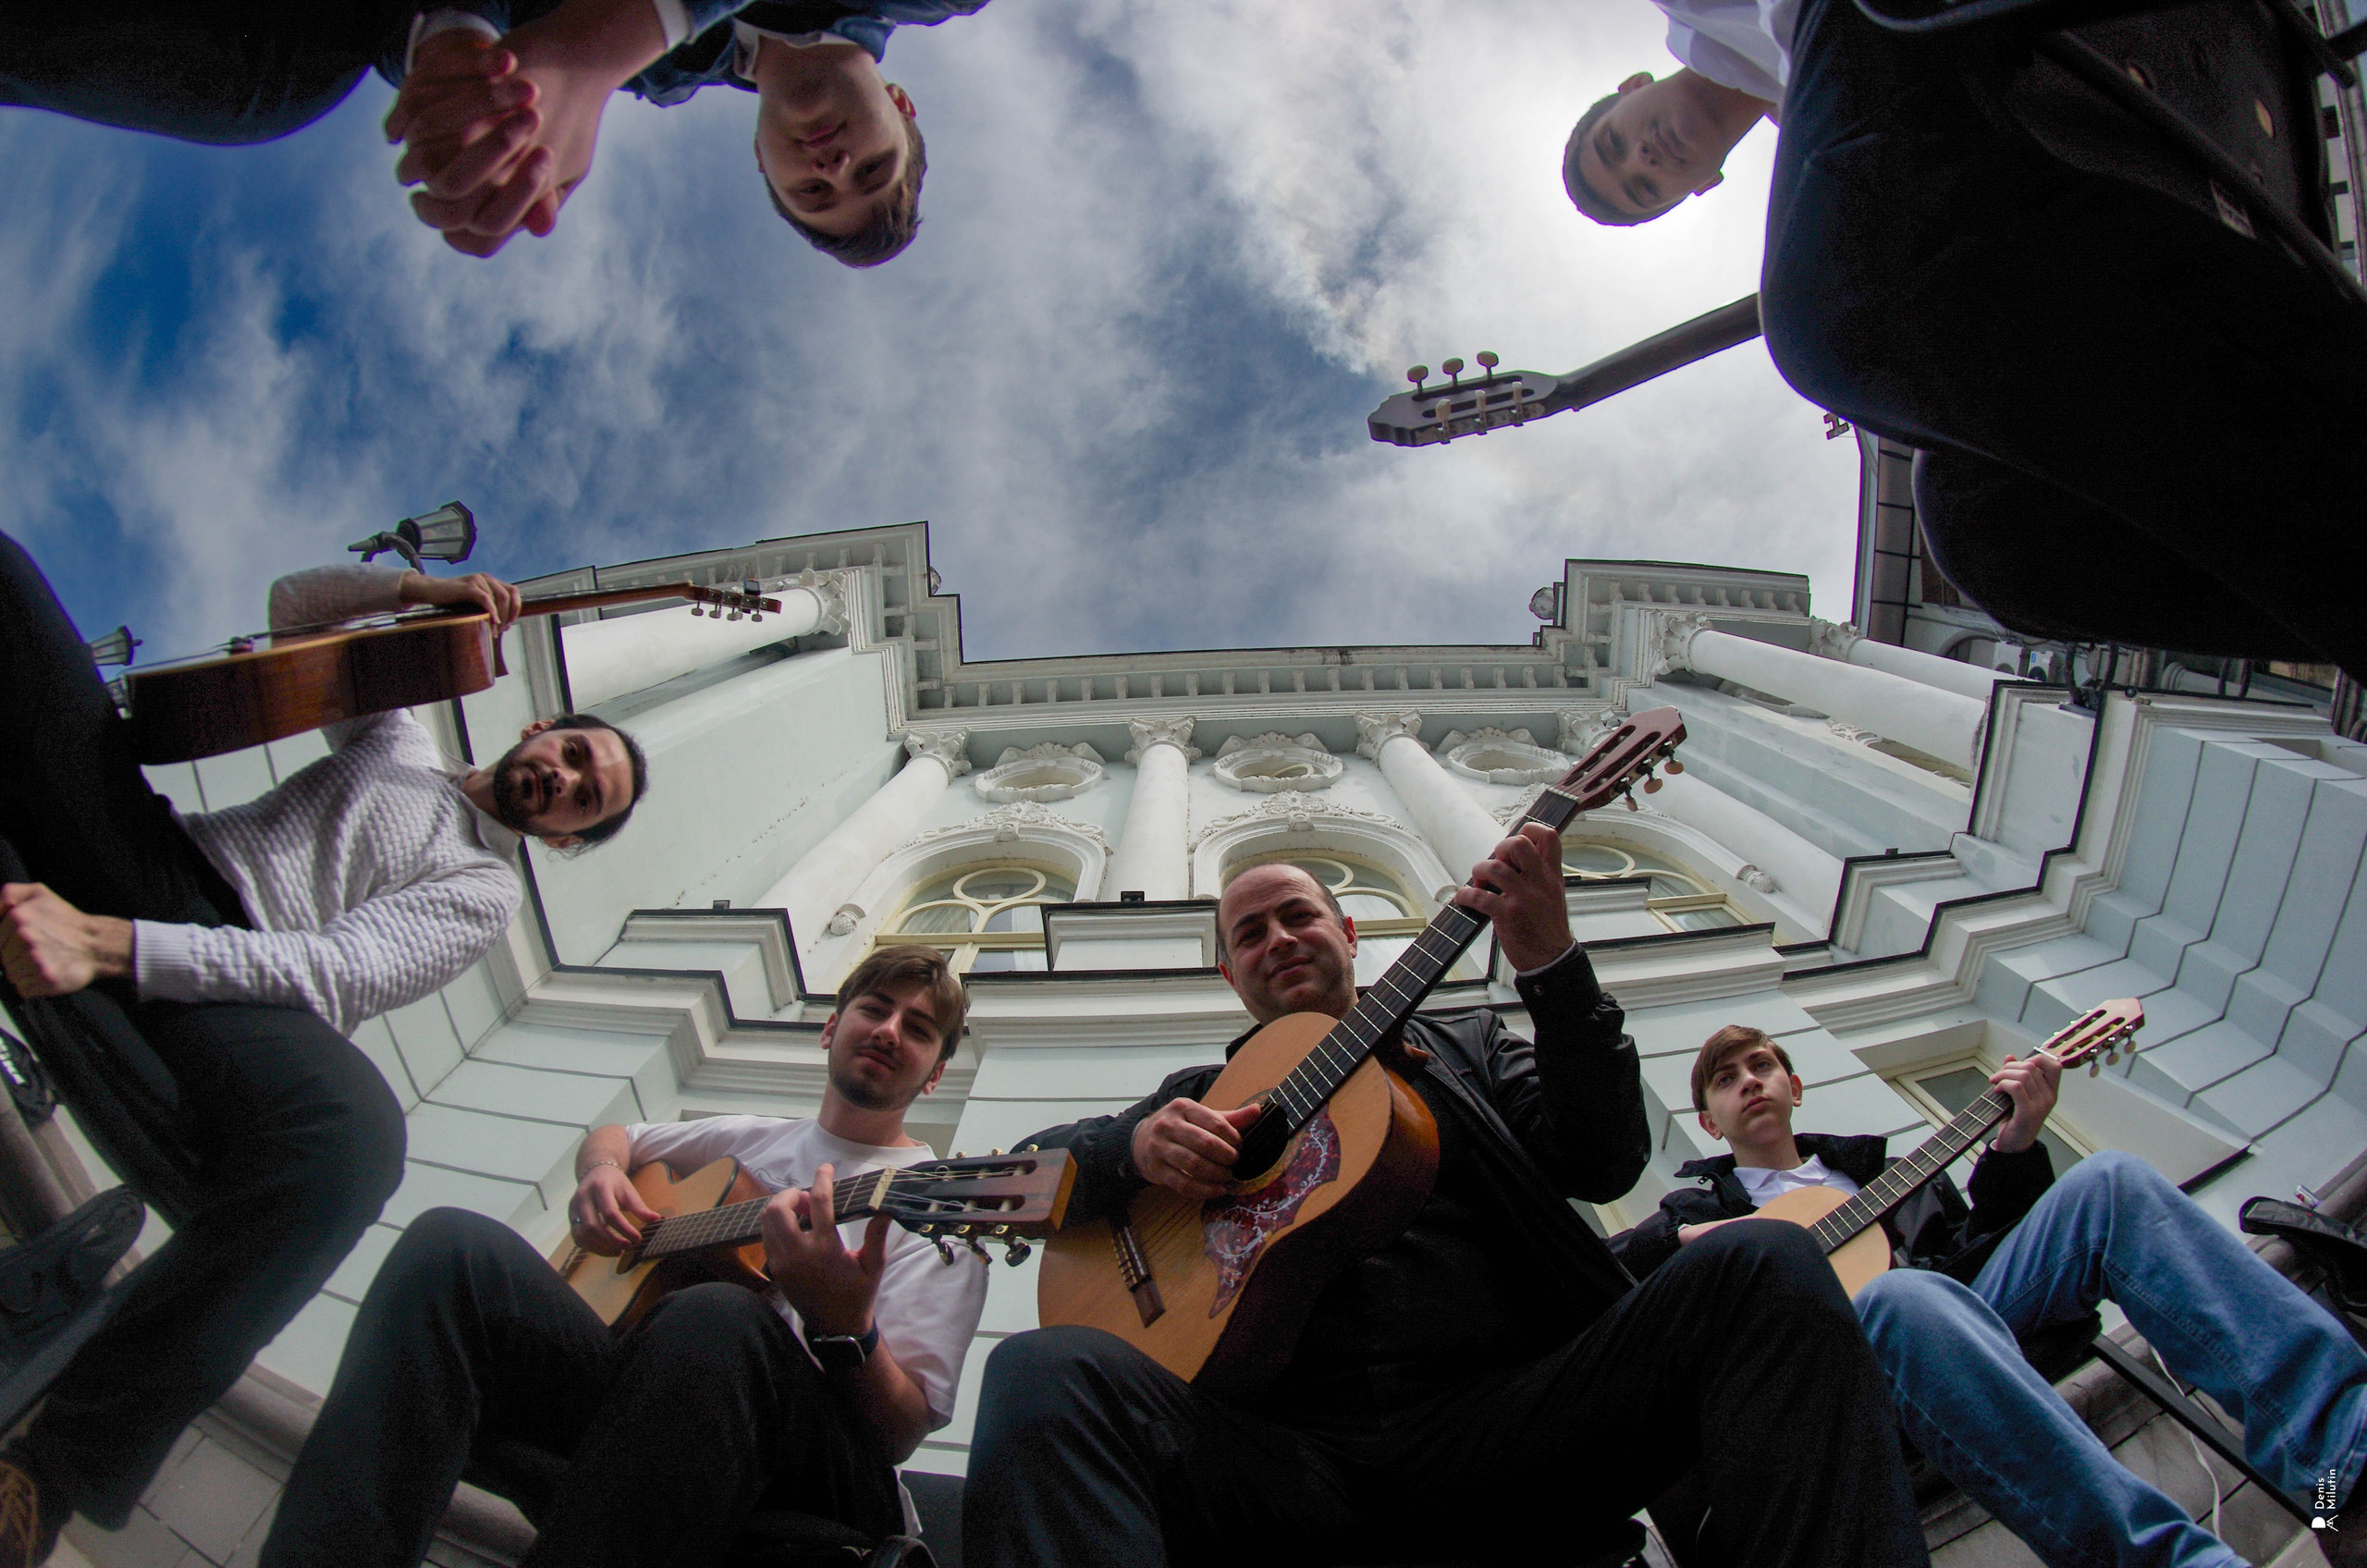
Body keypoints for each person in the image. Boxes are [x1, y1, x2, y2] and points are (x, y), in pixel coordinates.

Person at [963, 830, 1932, 1568]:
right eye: (1248, 933)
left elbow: (1601, 1157)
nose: (1277, 939)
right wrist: (1127, 1148)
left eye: (1298, 915)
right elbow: (1026, 1176)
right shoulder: (1203, 1095)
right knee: (1041, 1369)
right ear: (1229, 974)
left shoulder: (1465, 1045)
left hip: (1514, 1425)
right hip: (1283, 1457)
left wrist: (1550, 964)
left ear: (1348, 934)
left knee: (1762, 1259)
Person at [0, 537, 647, 1563]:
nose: (563, 780)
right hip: (154, 854)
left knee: (358, 1139)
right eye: (573, 755)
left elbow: (330, 972)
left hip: (242, 983)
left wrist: (106, 945)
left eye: (584, 798)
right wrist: (426, 591)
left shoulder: (482, 893)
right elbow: (298, 608)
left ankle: (46, 1478)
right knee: (13, 590)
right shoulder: (399, 747)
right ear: (540, 727)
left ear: (566, 838)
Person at [1563, 0, 2367, 680]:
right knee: (1988, 543)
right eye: (1645, 188)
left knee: (1823, 327)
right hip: (2017, 108)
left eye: (1616, 142)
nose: (1646, 157)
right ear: (1699, 188)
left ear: (1631, 87)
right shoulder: (1820, 133)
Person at [256, 945, 987, 1568]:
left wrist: (846, 1324)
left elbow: (899, 1432)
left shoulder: (934, 1212)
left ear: (932, 1077)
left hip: (811, 1464)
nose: (890, 1030)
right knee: (454, 1246)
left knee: (718, 1316)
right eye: (875, 1009)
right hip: (650, 1393)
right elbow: (619, 1137)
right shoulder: (754, 1137)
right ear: (831, 1028)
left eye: (918, 1029)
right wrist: (600, 1175)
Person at [1611, 1024, 2367, 1568]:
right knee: (1901, 1299)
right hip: (1832, 1401)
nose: (1748, 1078)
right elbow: (1602, 1291)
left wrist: (2016, 1148)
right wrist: (1680, 1251)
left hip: (1949, 1339)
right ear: (1710, 1121)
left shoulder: (1889, 1176)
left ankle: (2343, 1472)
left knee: (2111, 1183)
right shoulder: (1699, 1215)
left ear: (1794, 1087)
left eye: (1762, 1064)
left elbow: (1980, 1258)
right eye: (1725, 1076)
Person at [0, 0, 982, 263]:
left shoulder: (668, 76)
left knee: (277, 81)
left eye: (814, 191)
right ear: (902, 105)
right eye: (869, 166)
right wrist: (602, 43)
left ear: (763, 169)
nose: (830, 162)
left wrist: (464, 62)